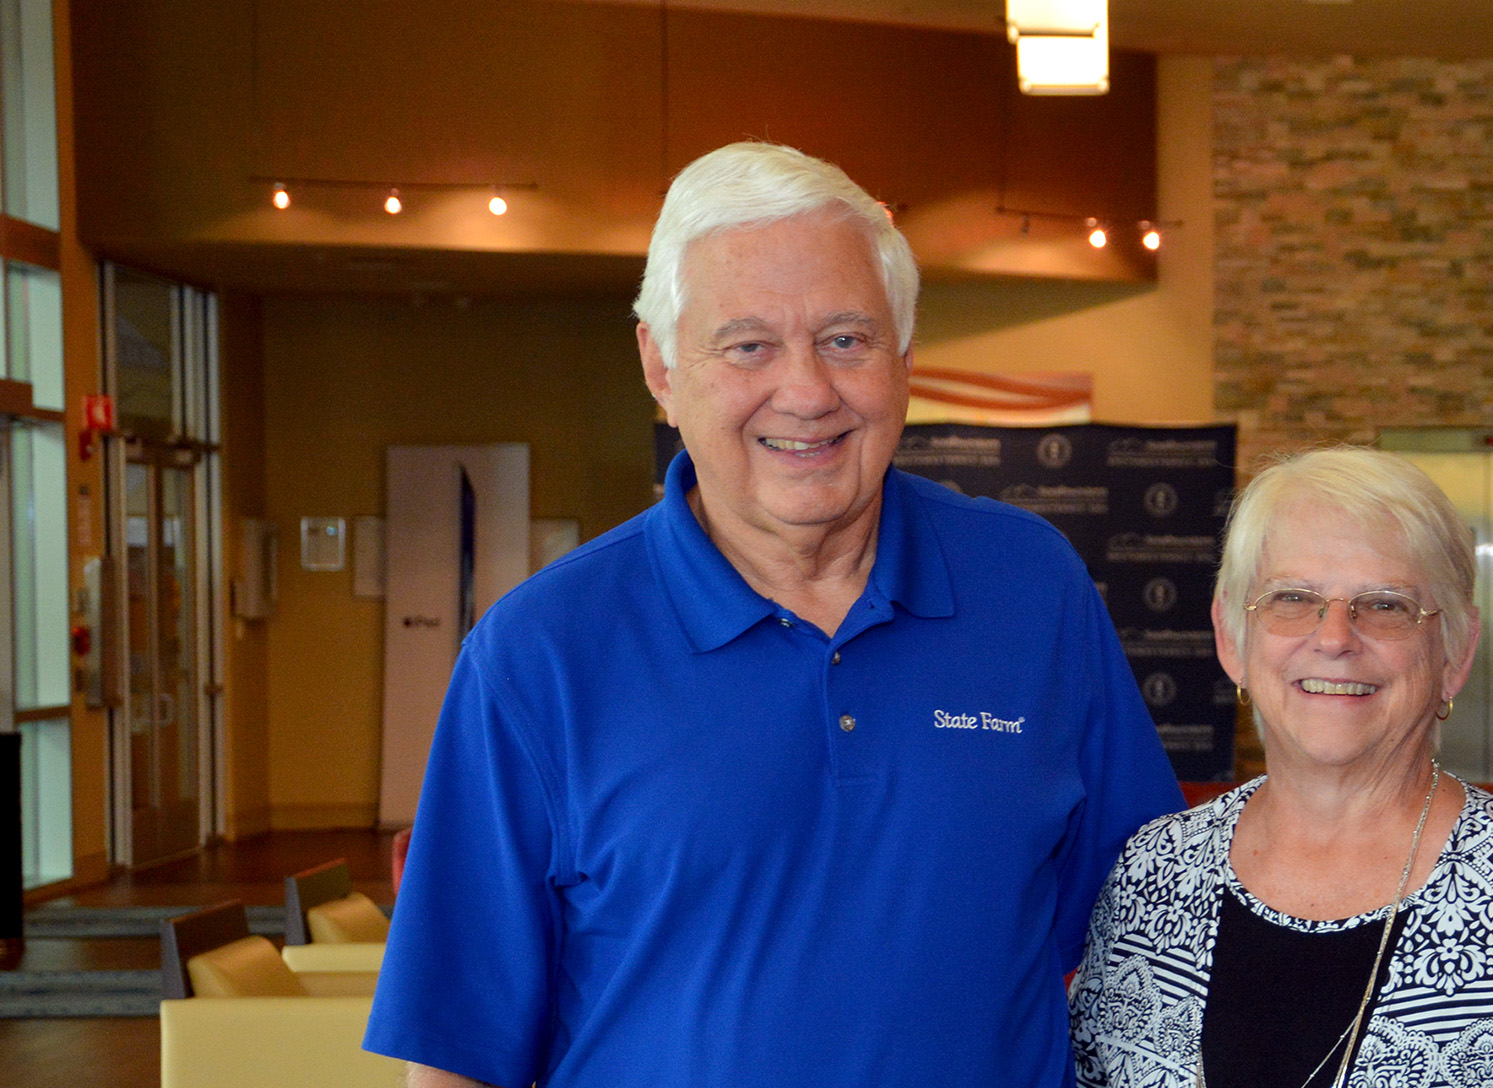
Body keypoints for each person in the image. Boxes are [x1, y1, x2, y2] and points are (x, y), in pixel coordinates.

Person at [363, 142, 1185, 1088]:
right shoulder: (535, 656)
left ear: (904, 358)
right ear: (661, 367)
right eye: (748, 344)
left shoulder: (1031, 591)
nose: (807, 392)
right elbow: (457, 1055)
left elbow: (1146, 947)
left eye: (846, 338)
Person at [1072, 448, 1493, 1088]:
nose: (1336, 637)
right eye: (1292, 597)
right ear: (1232, 638)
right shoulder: (1152, 875)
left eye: (1387, 604)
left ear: (1455, 651)